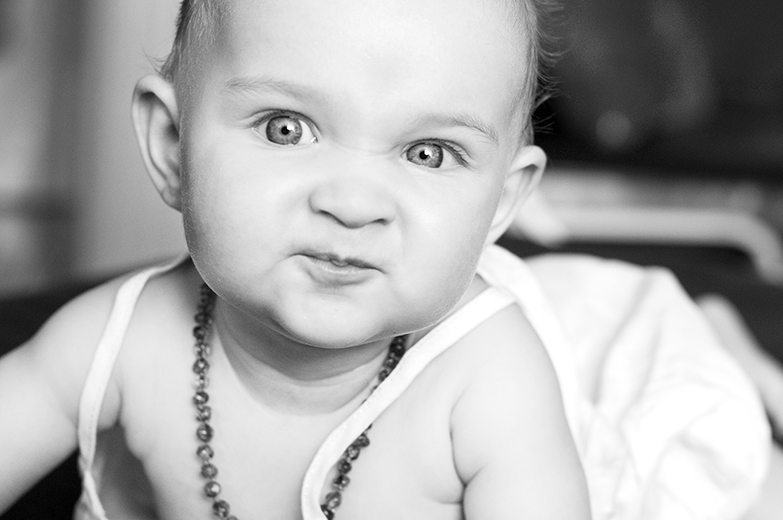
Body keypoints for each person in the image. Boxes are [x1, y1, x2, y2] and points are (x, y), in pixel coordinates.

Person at [0, 0, 775, 519]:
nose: (353, 202)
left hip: (601, 433)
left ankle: (742, 359)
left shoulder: (488, 381)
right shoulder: (113, 341)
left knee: (732, 454)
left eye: (428, 152)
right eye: (285, 128)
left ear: (499, 204)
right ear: (172, 145)